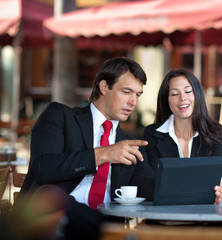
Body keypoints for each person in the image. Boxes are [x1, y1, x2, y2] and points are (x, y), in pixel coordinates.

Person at [12, 57, 155, 240]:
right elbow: (43, 169)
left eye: (138, 95)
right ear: (104, 87)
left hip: (100, 222)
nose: (133, 102)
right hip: (53, 223)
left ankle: (107, 232)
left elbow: (152, 188)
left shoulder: (129, 145)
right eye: (127, 92)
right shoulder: (60, 117)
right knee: (50, 195)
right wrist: (102, 154)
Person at [144, 68, 222, 206]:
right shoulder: (152, 134)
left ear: (197, 94)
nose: (182, 98)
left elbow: (213, 183)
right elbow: (152, 182)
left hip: (206, 218)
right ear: (166, 100)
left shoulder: (217, 134)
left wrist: (218, 192)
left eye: (188, 91)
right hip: (165, 217)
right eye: (174, 94)